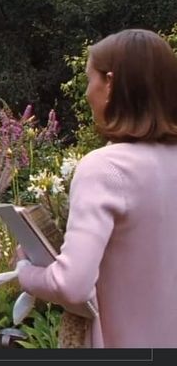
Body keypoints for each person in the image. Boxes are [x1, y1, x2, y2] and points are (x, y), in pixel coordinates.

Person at [17, 29, 177, 348]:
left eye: (91, 80)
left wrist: (25, 272)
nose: (88, 92)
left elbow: (72, 285)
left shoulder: (106, 169)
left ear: (110, 84)